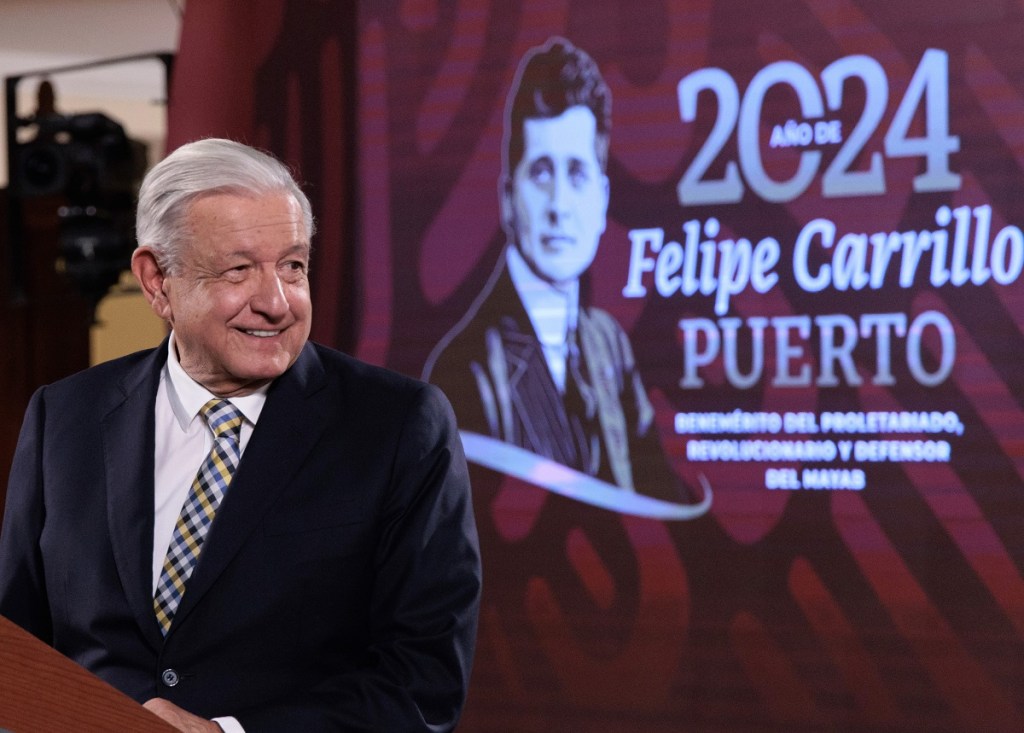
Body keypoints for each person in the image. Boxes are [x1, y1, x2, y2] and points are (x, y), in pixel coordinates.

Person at [0, 138, 482, 732]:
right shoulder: (63, 417)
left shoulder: (399, 426)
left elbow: (422, 685)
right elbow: (16, 651)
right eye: (239, 269)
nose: (277, 302)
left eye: (293, 266)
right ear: (156, 282)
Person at [423, 37, 676, 500]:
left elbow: (659, 504)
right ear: (507, 198)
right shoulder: (465, 369)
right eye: (541, 172)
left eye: (576, 173)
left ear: (601, 200)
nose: (559, 205)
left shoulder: (609, 346)